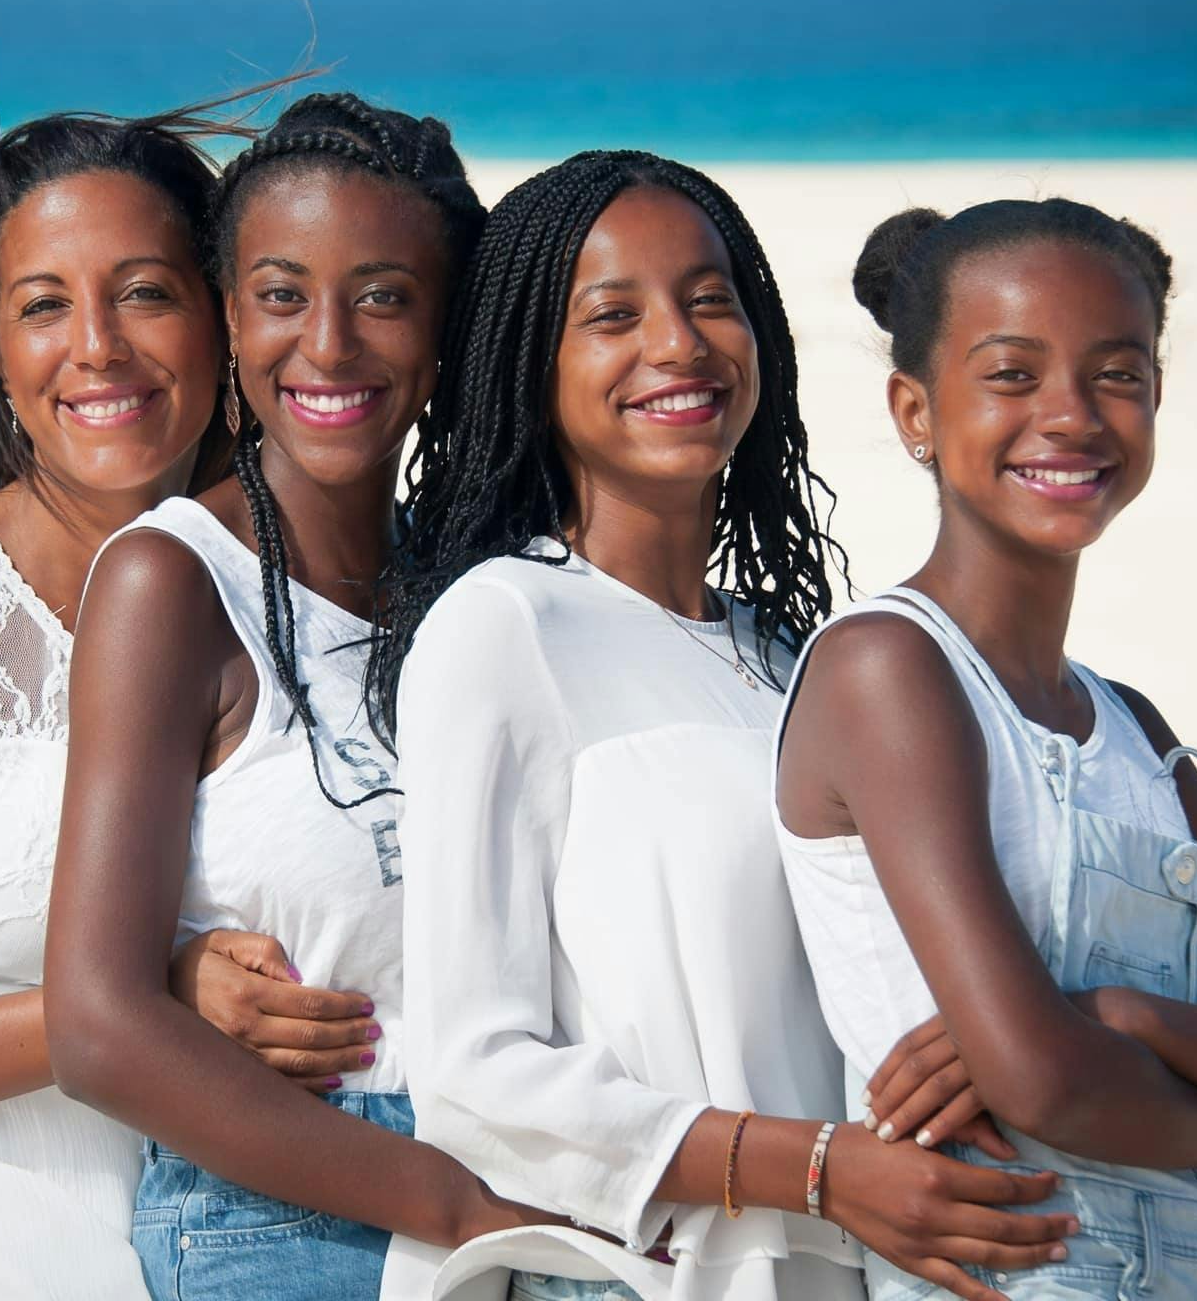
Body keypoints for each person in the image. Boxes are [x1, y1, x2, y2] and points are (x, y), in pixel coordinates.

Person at [377, 153, 1079, 1301]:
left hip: (855, 1269)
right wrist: (815, 1172)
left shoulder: (790, 662)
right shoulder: (506, 625)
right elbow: (474, 1072)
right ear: (529, 364)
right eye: (612, 315)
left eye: (711, 299)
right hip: (649, 1275)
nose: (679, 344)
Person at [0, 104, 381, 1297]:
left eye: (145, 293)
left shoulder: (304, 595)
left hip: (204, 1241)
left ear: (221, 318)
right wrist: (128, 1009)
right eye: (44, 306)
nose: (97, 347)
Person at [774, 200, 1197, 1299]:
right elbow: (1046, 1087)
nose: (1069, 416)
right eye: (1011, 375)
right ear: (915, 411)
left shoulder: (1140, 735)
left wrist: (1123, 1016)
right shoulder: (889, 672)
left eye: (1116, 373)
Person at [46, 94, 542, 1300]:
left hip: (511, 1176)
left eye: (381, 296)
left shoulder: (478, 588)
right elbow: (97, 1024)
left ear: (445, 329)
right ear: (230, 316)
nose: (326, 344)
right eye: (281, 294)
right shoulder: (171, 581)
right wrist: (455, 1204)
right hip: (281, 1222)